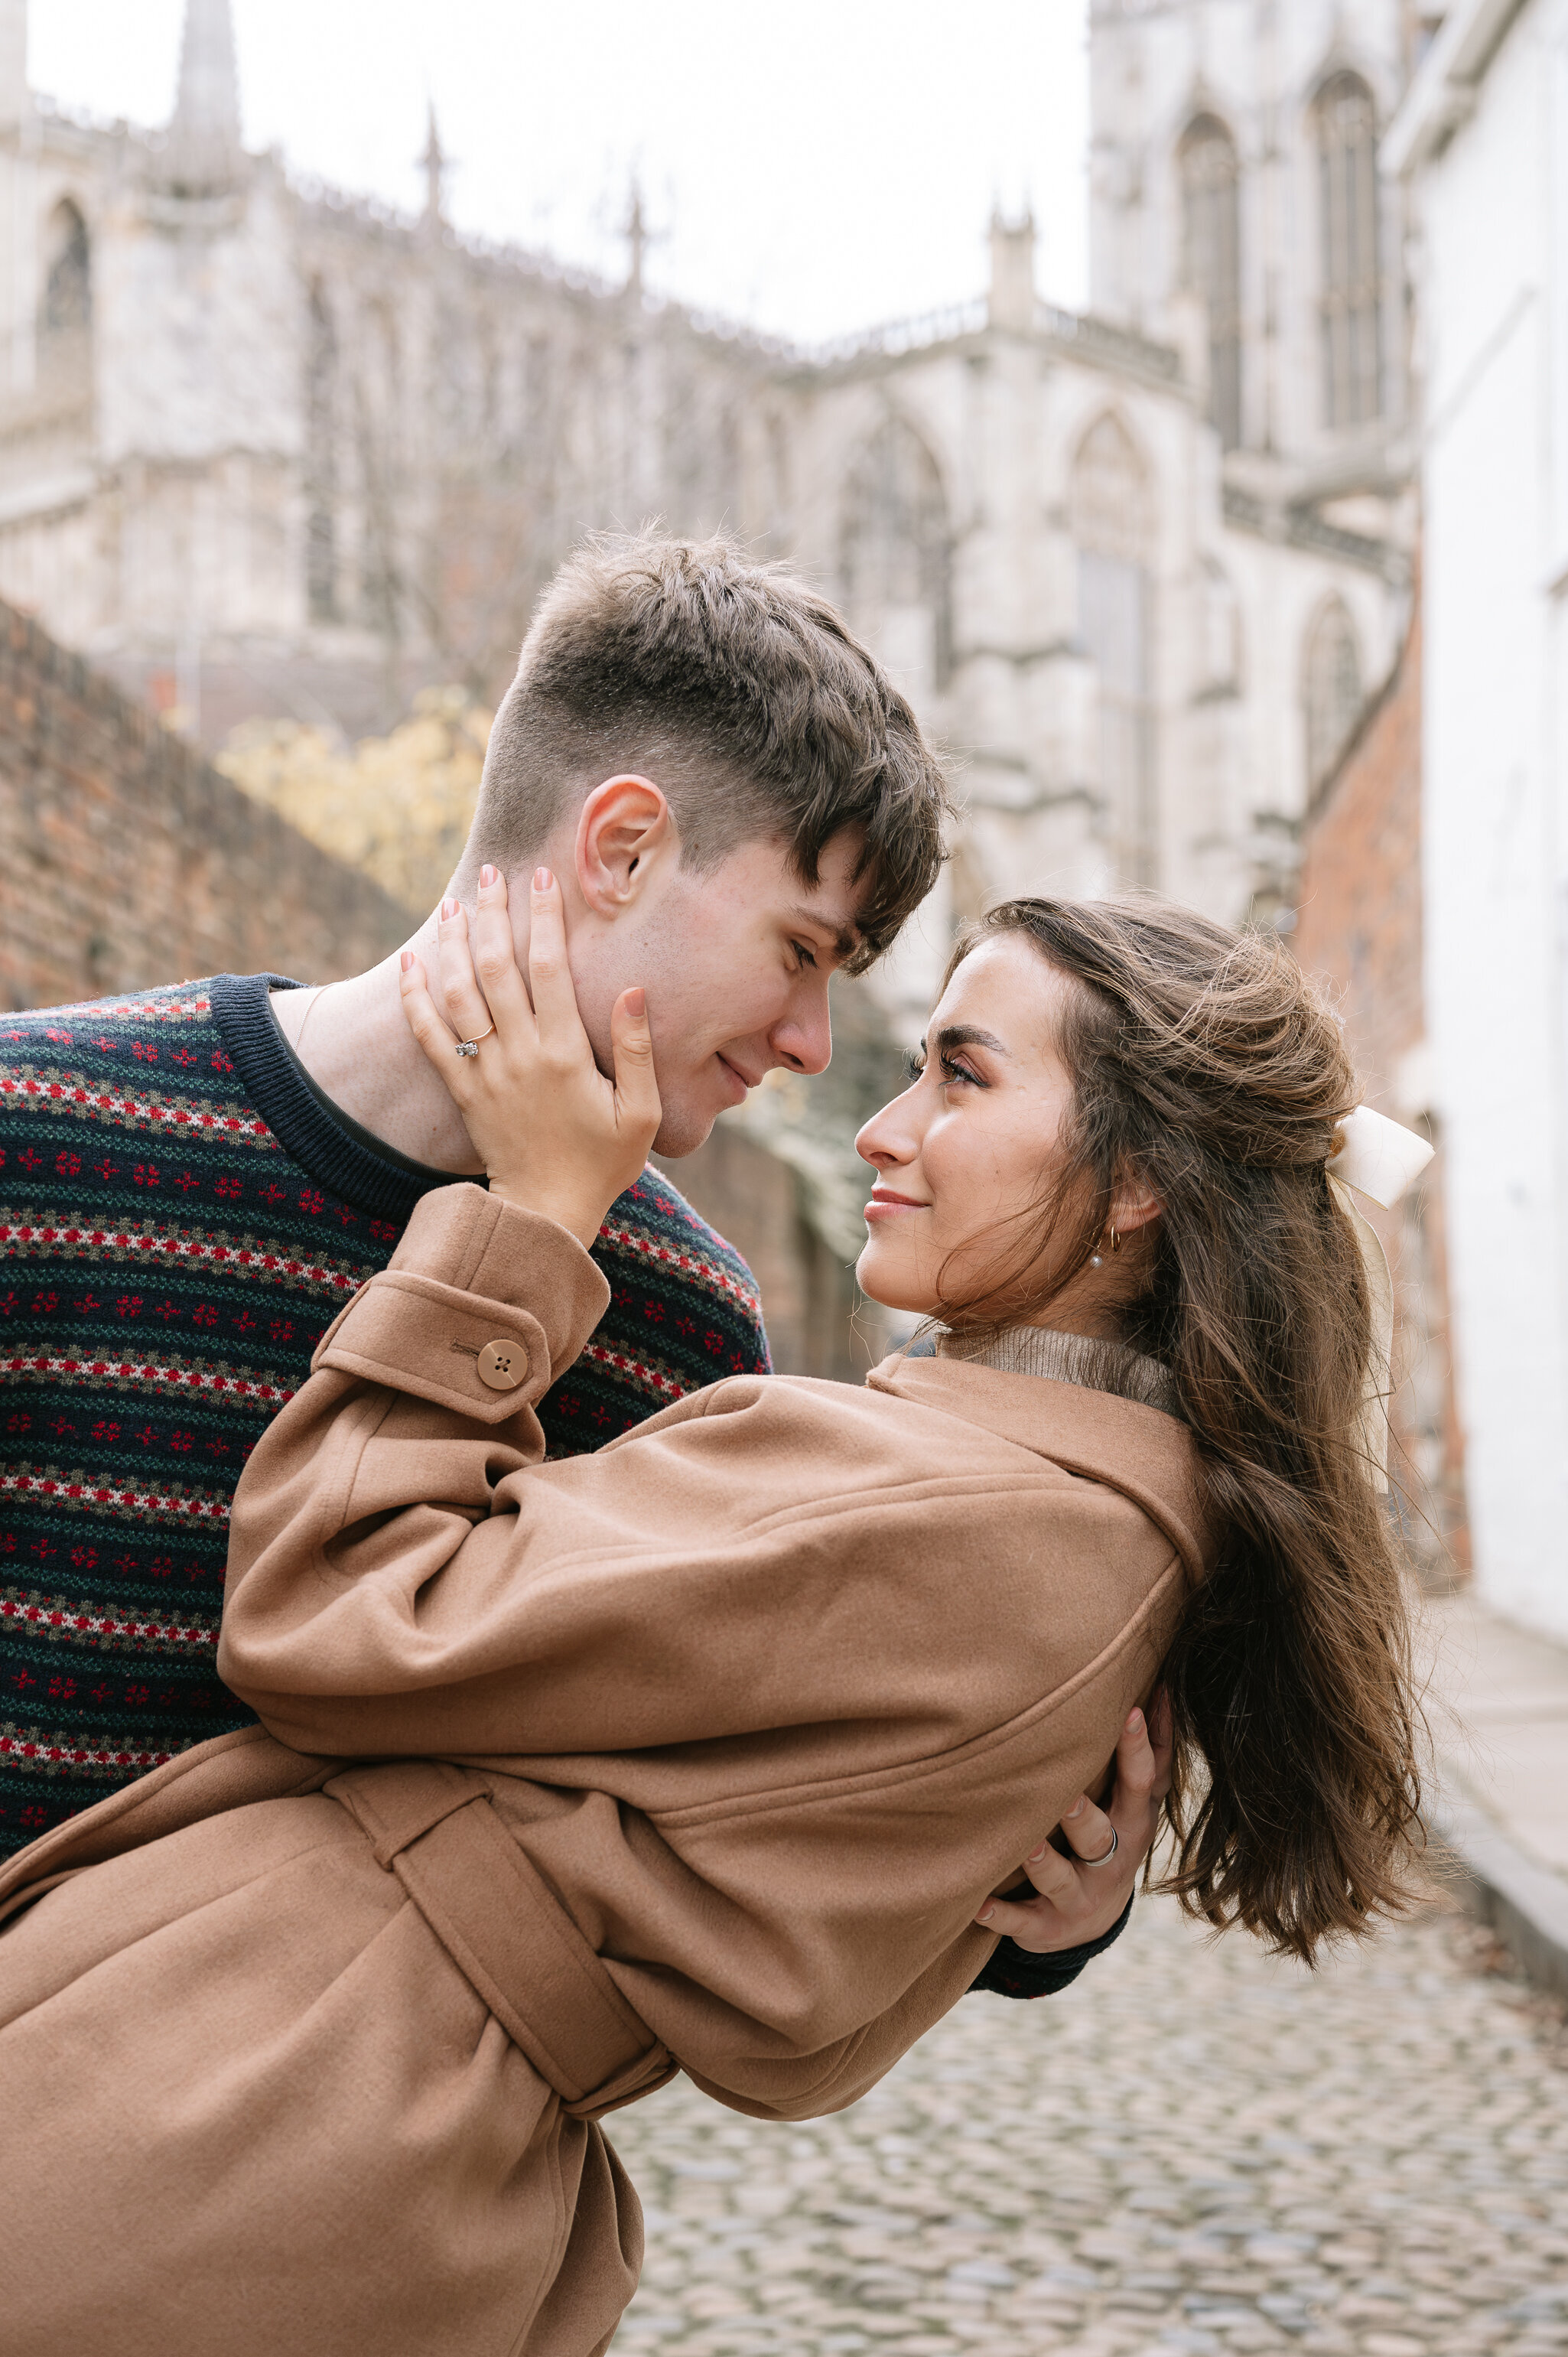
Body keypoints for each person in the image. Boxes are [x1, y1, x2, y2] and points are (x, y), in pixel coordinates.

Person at [0, 881, 1425, 2357]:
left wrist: (532, 1216)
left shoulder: (966, 1501)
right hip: (344, 2136)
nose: (878, 1122)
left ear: (1136, 1182)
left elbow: (337, 1600)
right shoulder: (1102, 1524)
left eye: (960, 1071)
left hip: (243, 2105)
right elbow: (800, 2006)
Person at [0, 532, 1152, 1963]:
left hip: (384, 2177)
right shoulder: (35, 1129)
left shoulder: (676, 1322)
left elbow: (760, 1815)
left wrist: (1050, 1921)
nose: (808, 1044)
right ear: (620, 848)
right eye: (800, 949)